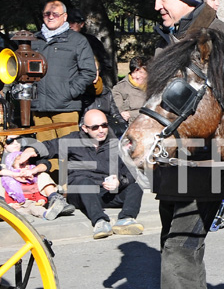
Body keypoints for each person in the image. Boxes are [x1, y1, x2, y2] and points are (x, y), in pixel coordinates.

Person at [151, 0, 224, 289]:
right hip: (174, 163)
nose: (156, 6)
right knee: (179, 244)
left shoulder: (217, 38)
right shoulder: (176, 36)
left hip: (201, 164)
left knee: (178, 250)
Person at [14, 110, 143, 238]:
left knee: (136, 186)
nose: (101, 130)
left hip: (105, 192)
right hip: (80, 193)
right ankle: (100, 221)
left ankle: (126, 219)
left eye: (104, 125)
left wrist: (119, 181)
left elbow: (131, 171)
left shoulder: (115, 144)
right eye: (95, 127)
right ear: (85, 128)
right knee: (84, 183)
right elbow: (49, 146)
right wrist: (32, 149)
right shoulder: (73, 139)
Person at [31, 0, 96, 143]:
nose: (51, 16)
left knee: (67, 154)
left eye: (55, 13)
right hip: (39, 108)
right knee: (44, 154)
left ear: (64, 17)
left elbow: (88, 72)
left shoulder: (78, 40)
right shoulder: (34, 40)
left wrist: (69, 92)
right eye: (47, 13)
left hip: (66, 108)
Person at [1, 134, 73, 220]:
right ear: (3, 144)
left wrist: (32, 171)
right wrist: (14, 174)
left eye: (18, 139)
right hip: (11, 196)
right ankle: (3, 206)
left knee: (42, 174)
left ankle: (55, 199)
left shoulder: (25, 153)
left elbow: (46, 164)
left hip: (30, 194)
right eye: (10, 141)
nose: (16, 143)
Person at [68, 7, 115, 90]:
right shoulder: (59, 41)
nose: (70, 26)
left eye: (73, 22)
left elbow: (106, 63)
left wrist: (96, 70)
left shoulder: (92, 42)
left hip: (88, 85)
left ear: (81, 24)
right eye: (67, 22)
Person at [112, 57, 148, 123]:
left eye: (141, 72)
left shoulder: (154, 87)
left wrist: (131, 114)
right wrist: (122, 113)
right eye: (134, 72)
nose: (137, 76)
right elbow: (117, 109)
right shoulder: (119, 88)